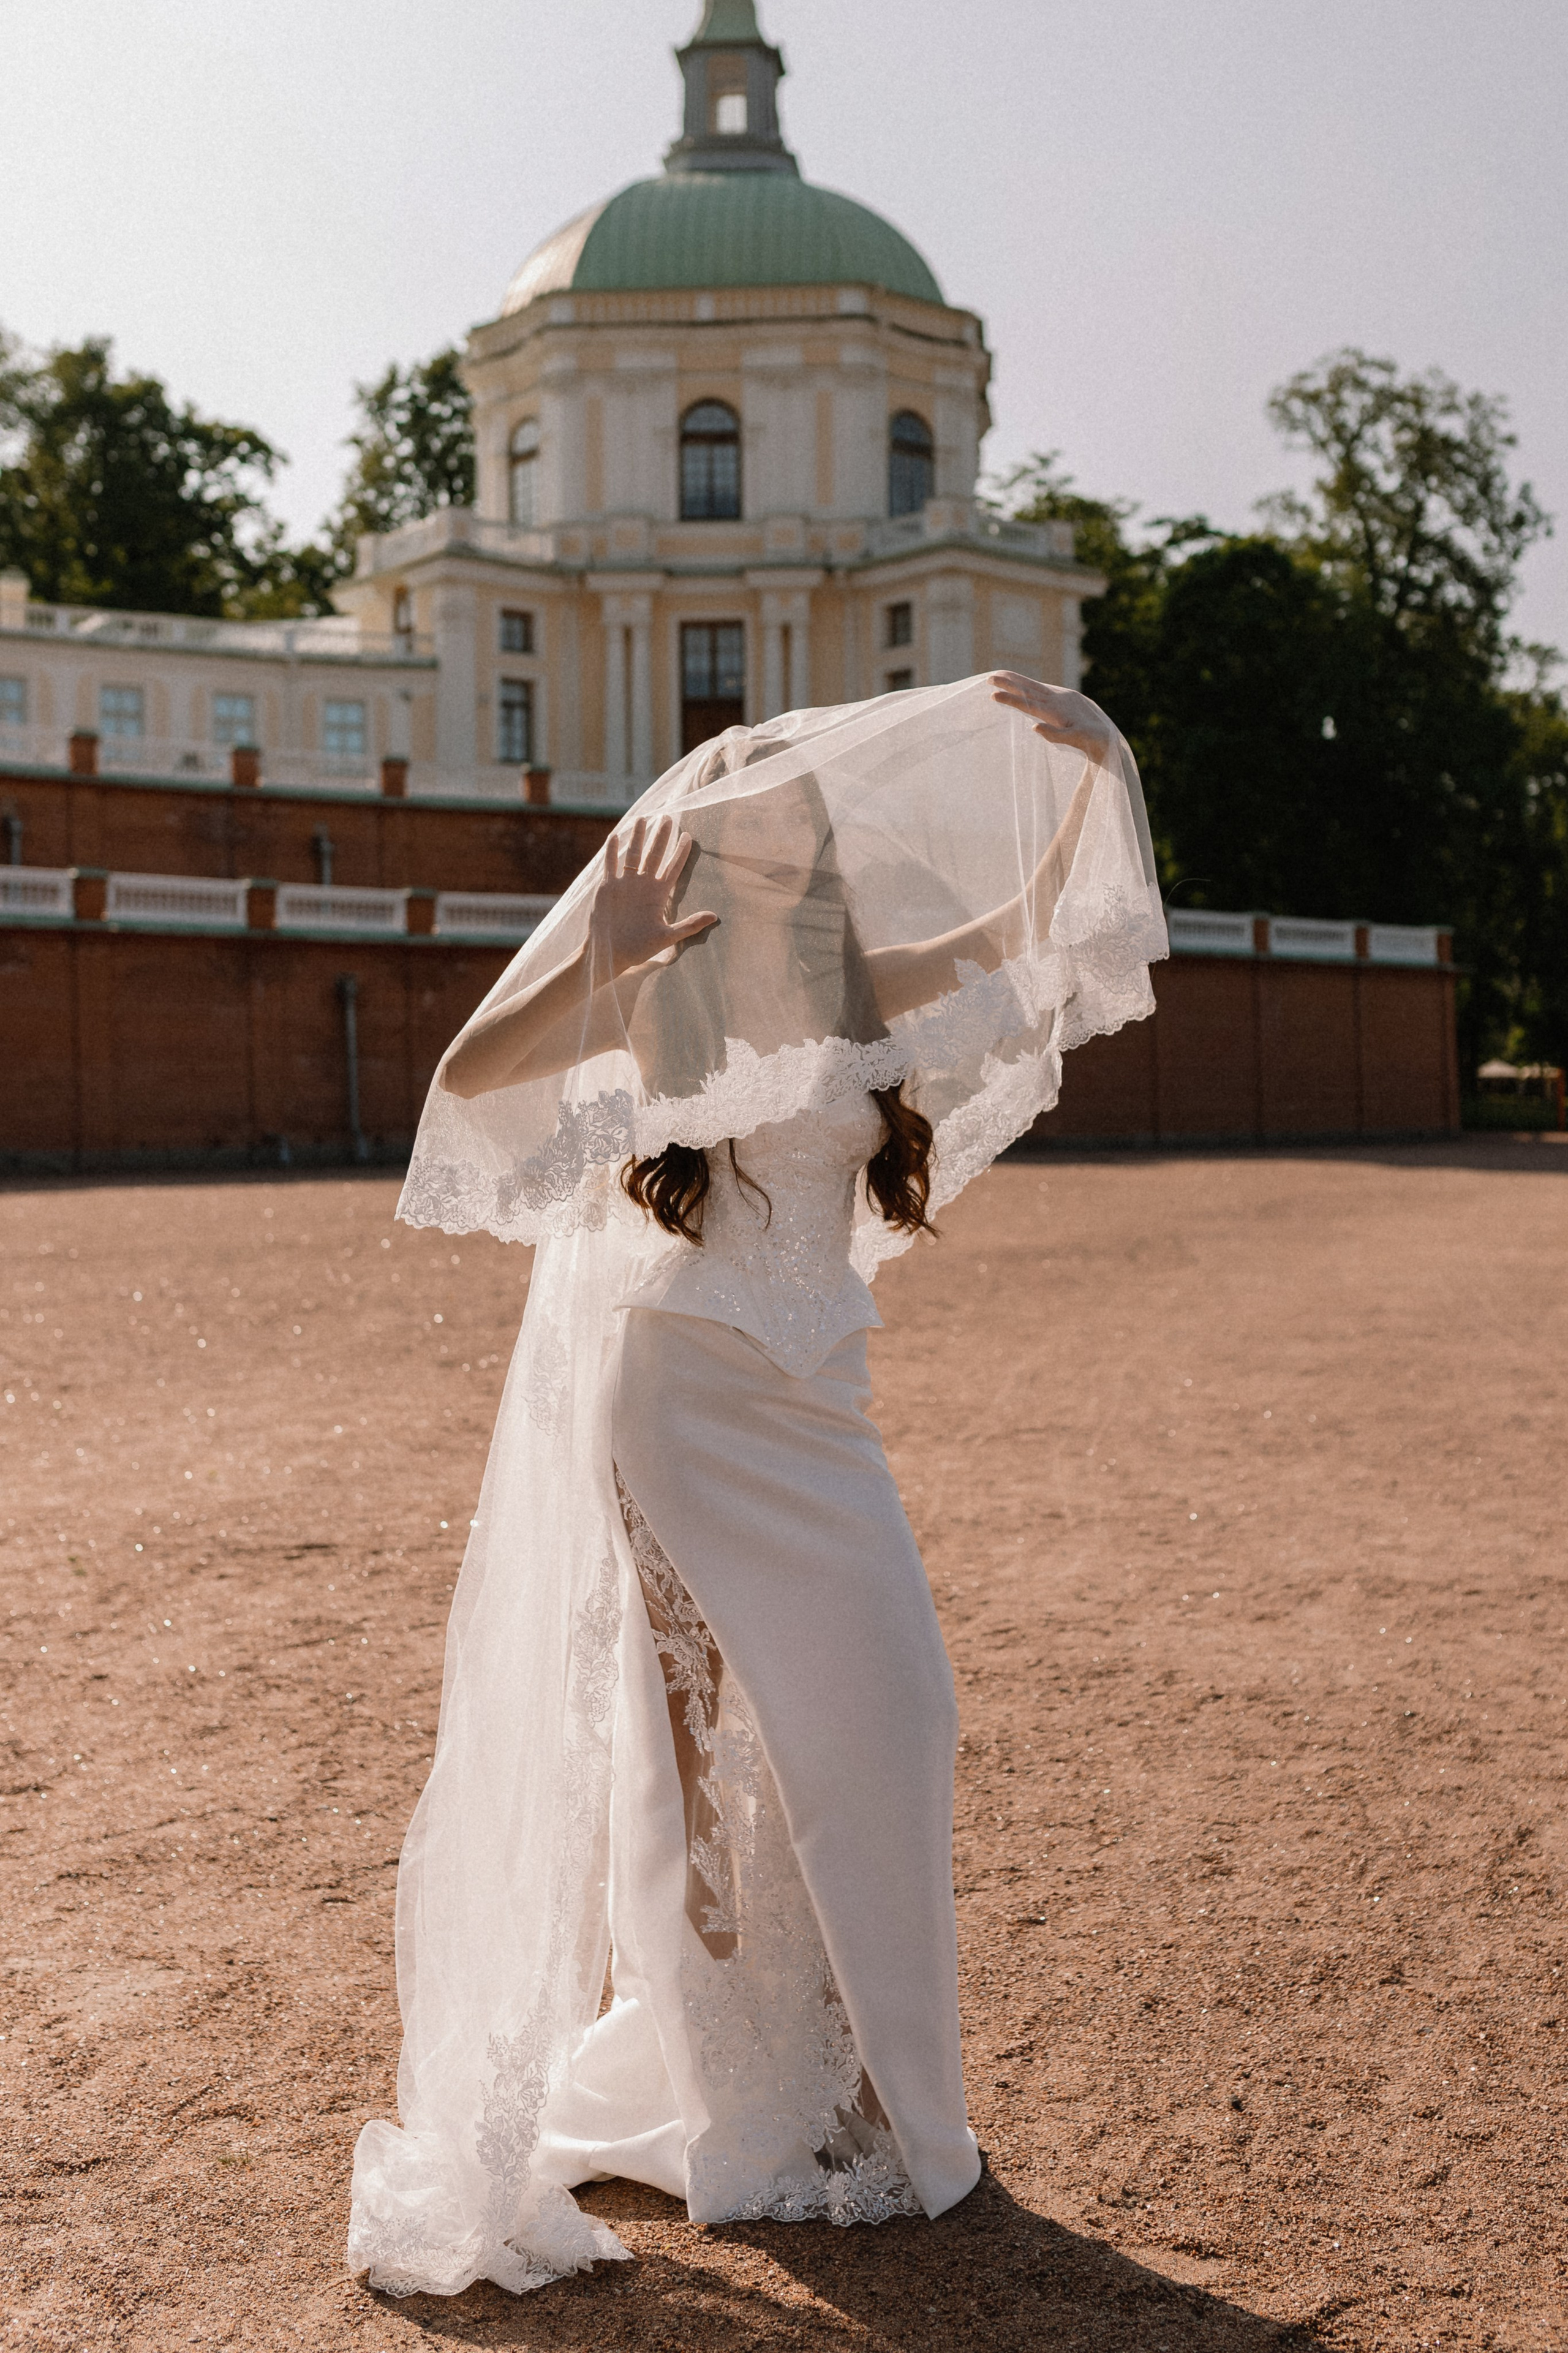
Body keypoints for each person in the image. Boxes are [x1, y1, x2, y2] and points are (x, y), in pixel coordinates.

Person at [348, 671, 1166, 2299]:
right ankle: (769, 2095)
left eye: (799, 815)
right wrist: (599, 957)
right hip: (688, 1394)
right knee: (693, 1747)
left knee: (898, 1712)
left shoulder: (864, 977)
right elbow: (472, 1076)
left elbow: (1027, 930)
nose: (783, 829)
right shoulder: (677, 982)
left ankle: (868, 2099)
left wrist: (1089, 774)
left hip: (821, 1407)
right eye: (759, 818)